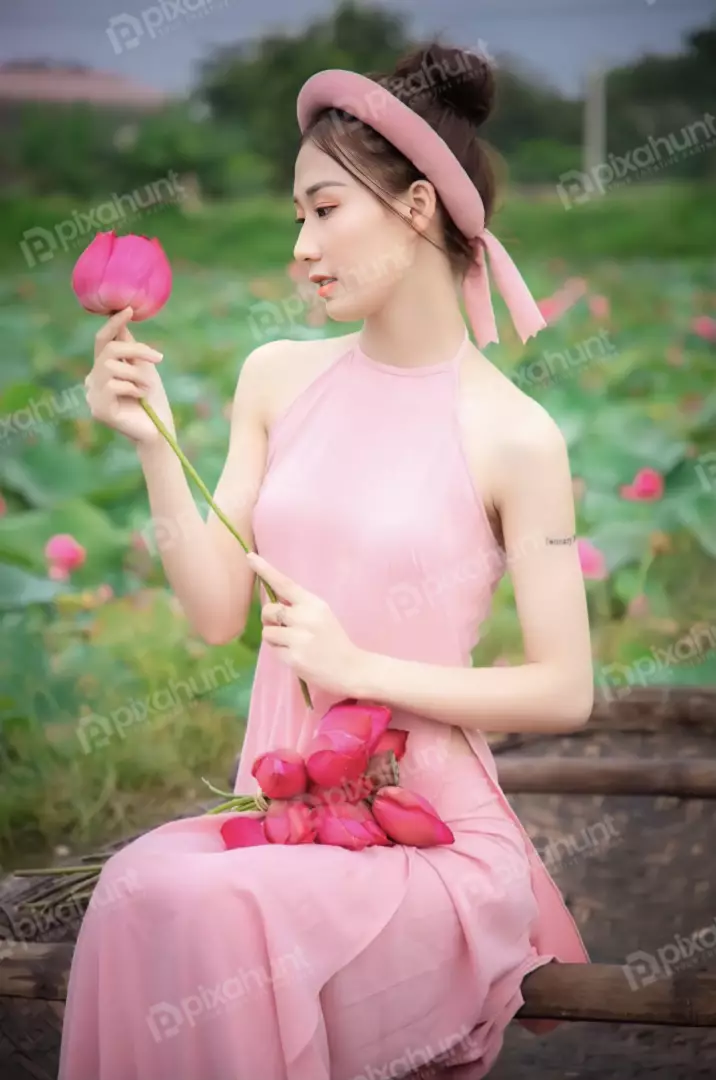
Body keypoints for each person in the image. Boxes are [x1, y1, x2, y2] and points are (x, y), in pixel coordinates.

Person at [62, 41, 593, 1080]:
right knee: (138, 886)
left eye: (321, 210)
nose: (298, 246)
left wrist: (359, 671)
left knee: (201, 905)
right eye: (296, 217)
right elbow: (219, 614)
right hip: (284, 813)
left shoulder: (512, 434)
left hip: (422, 837)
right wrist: (151, 442)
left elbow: (565, 688)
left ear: (416, 209)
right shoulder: (277, 377)